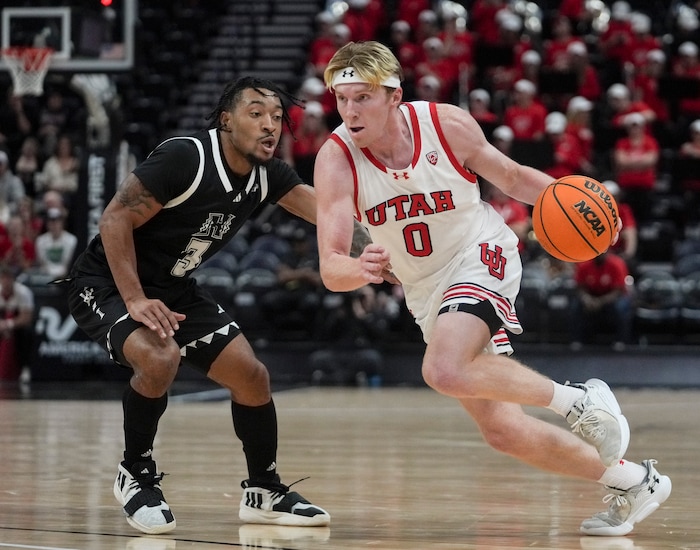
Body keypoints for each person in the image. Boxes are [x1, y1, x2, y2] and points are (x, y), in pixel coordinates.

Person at [313, 40, 671, 537]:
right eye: (341, 98)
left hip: (481, 253)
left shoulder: (445, 125)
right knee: (503, 430)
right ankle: (635, 481)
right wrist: (363, 267)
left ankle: (578, 401)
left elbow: (512, 176)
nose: (349, 111)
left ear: (394, 95)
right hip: (425, 290)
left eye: (363, 97)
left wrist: (584, 209)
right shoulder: (335, 159)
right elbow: (332, 268)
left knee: (443, 368)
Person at [65, 77, 334, 535]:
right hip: (107, 281)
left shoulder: (268, 173)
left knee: (251, 376)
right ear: (226, 120)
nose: (270, 125)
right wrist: (134, 298)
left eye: (276, 117)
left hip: (173, 287)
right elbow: (114, 218)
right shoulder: (185, 156)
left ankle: (264, 490)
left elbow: (328, 214)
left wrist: (383, 249)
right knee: (159, 356)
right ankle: (135, 473)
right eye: (256, 114)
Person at [570, 250, 634, 351]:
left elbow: (618, 290)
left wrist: (600, 302)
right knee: (576, 305)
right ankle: (577, 340)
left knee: (621, 306)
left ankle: (621, 340)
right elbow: (579, 287)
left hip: (612, 296)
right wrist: (586, 298)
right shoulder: (584, 264)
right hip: (592, 295)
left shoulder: (616, 263)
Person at [0, 264, 34, 381]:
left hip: (17, 323)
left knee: (27, 333)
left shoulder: (23, 292)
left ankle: (25, 367)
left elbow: (26, 317)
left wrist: (8, 325)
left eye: (9, 278)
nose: (6, 282)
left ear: (13, 279)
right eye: (3, 278)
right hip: (2, 321)